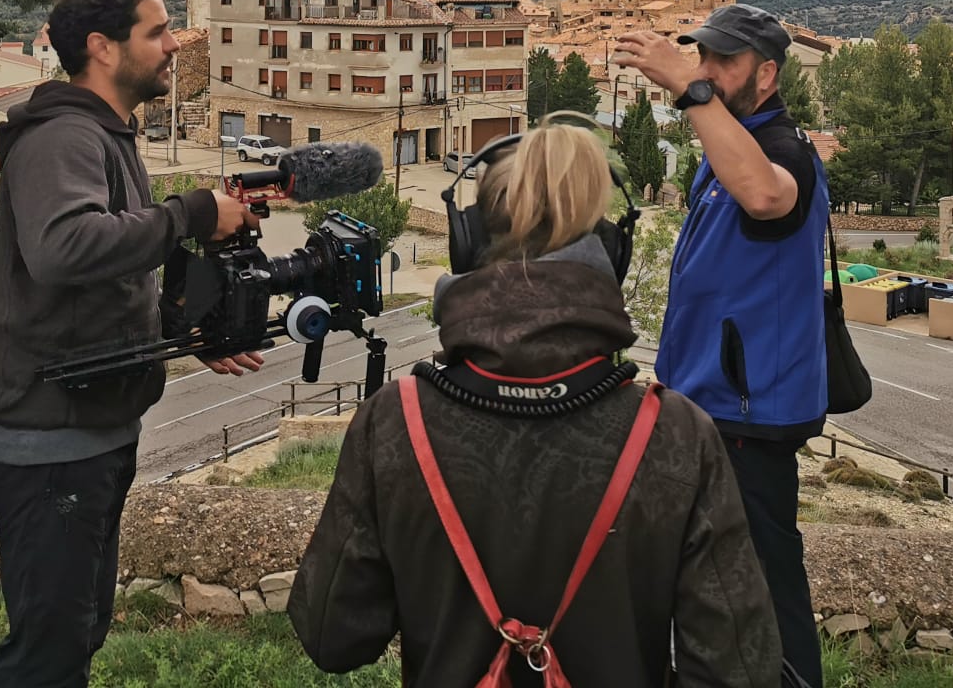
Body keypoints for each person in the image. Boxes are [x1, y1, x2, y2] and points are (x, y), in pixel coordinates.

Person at [289, 117, 783, 686]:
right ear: (612, 253)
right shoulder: (676, 435)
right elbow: (740, 670)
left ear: (466, 242)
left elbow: (333, 636)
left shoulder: (395, 422)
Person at [0, 0, 264, 688]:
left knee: (78, 633)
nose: (173, 44)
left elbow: (112, 275)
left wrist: (184, 331)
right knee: (45, 656)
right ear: (103, 46)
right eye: (158, 31)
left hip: (89, 428)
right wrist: (189, 213)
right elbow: (65, 249)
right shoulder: (64, 137)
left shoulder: (109, 134)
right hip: (46, 440)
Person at [614, 3, 830, 688]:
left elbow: (767, 198)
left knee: (764, 586)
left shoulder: (783, 149)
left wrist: (687, 88)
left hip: (750, 413)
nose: (707, 71)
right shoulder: (725, 143)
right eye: (701, 57)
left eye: (722, 62)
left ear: (766, 75)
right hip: (708, 403)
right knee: (702, 577)